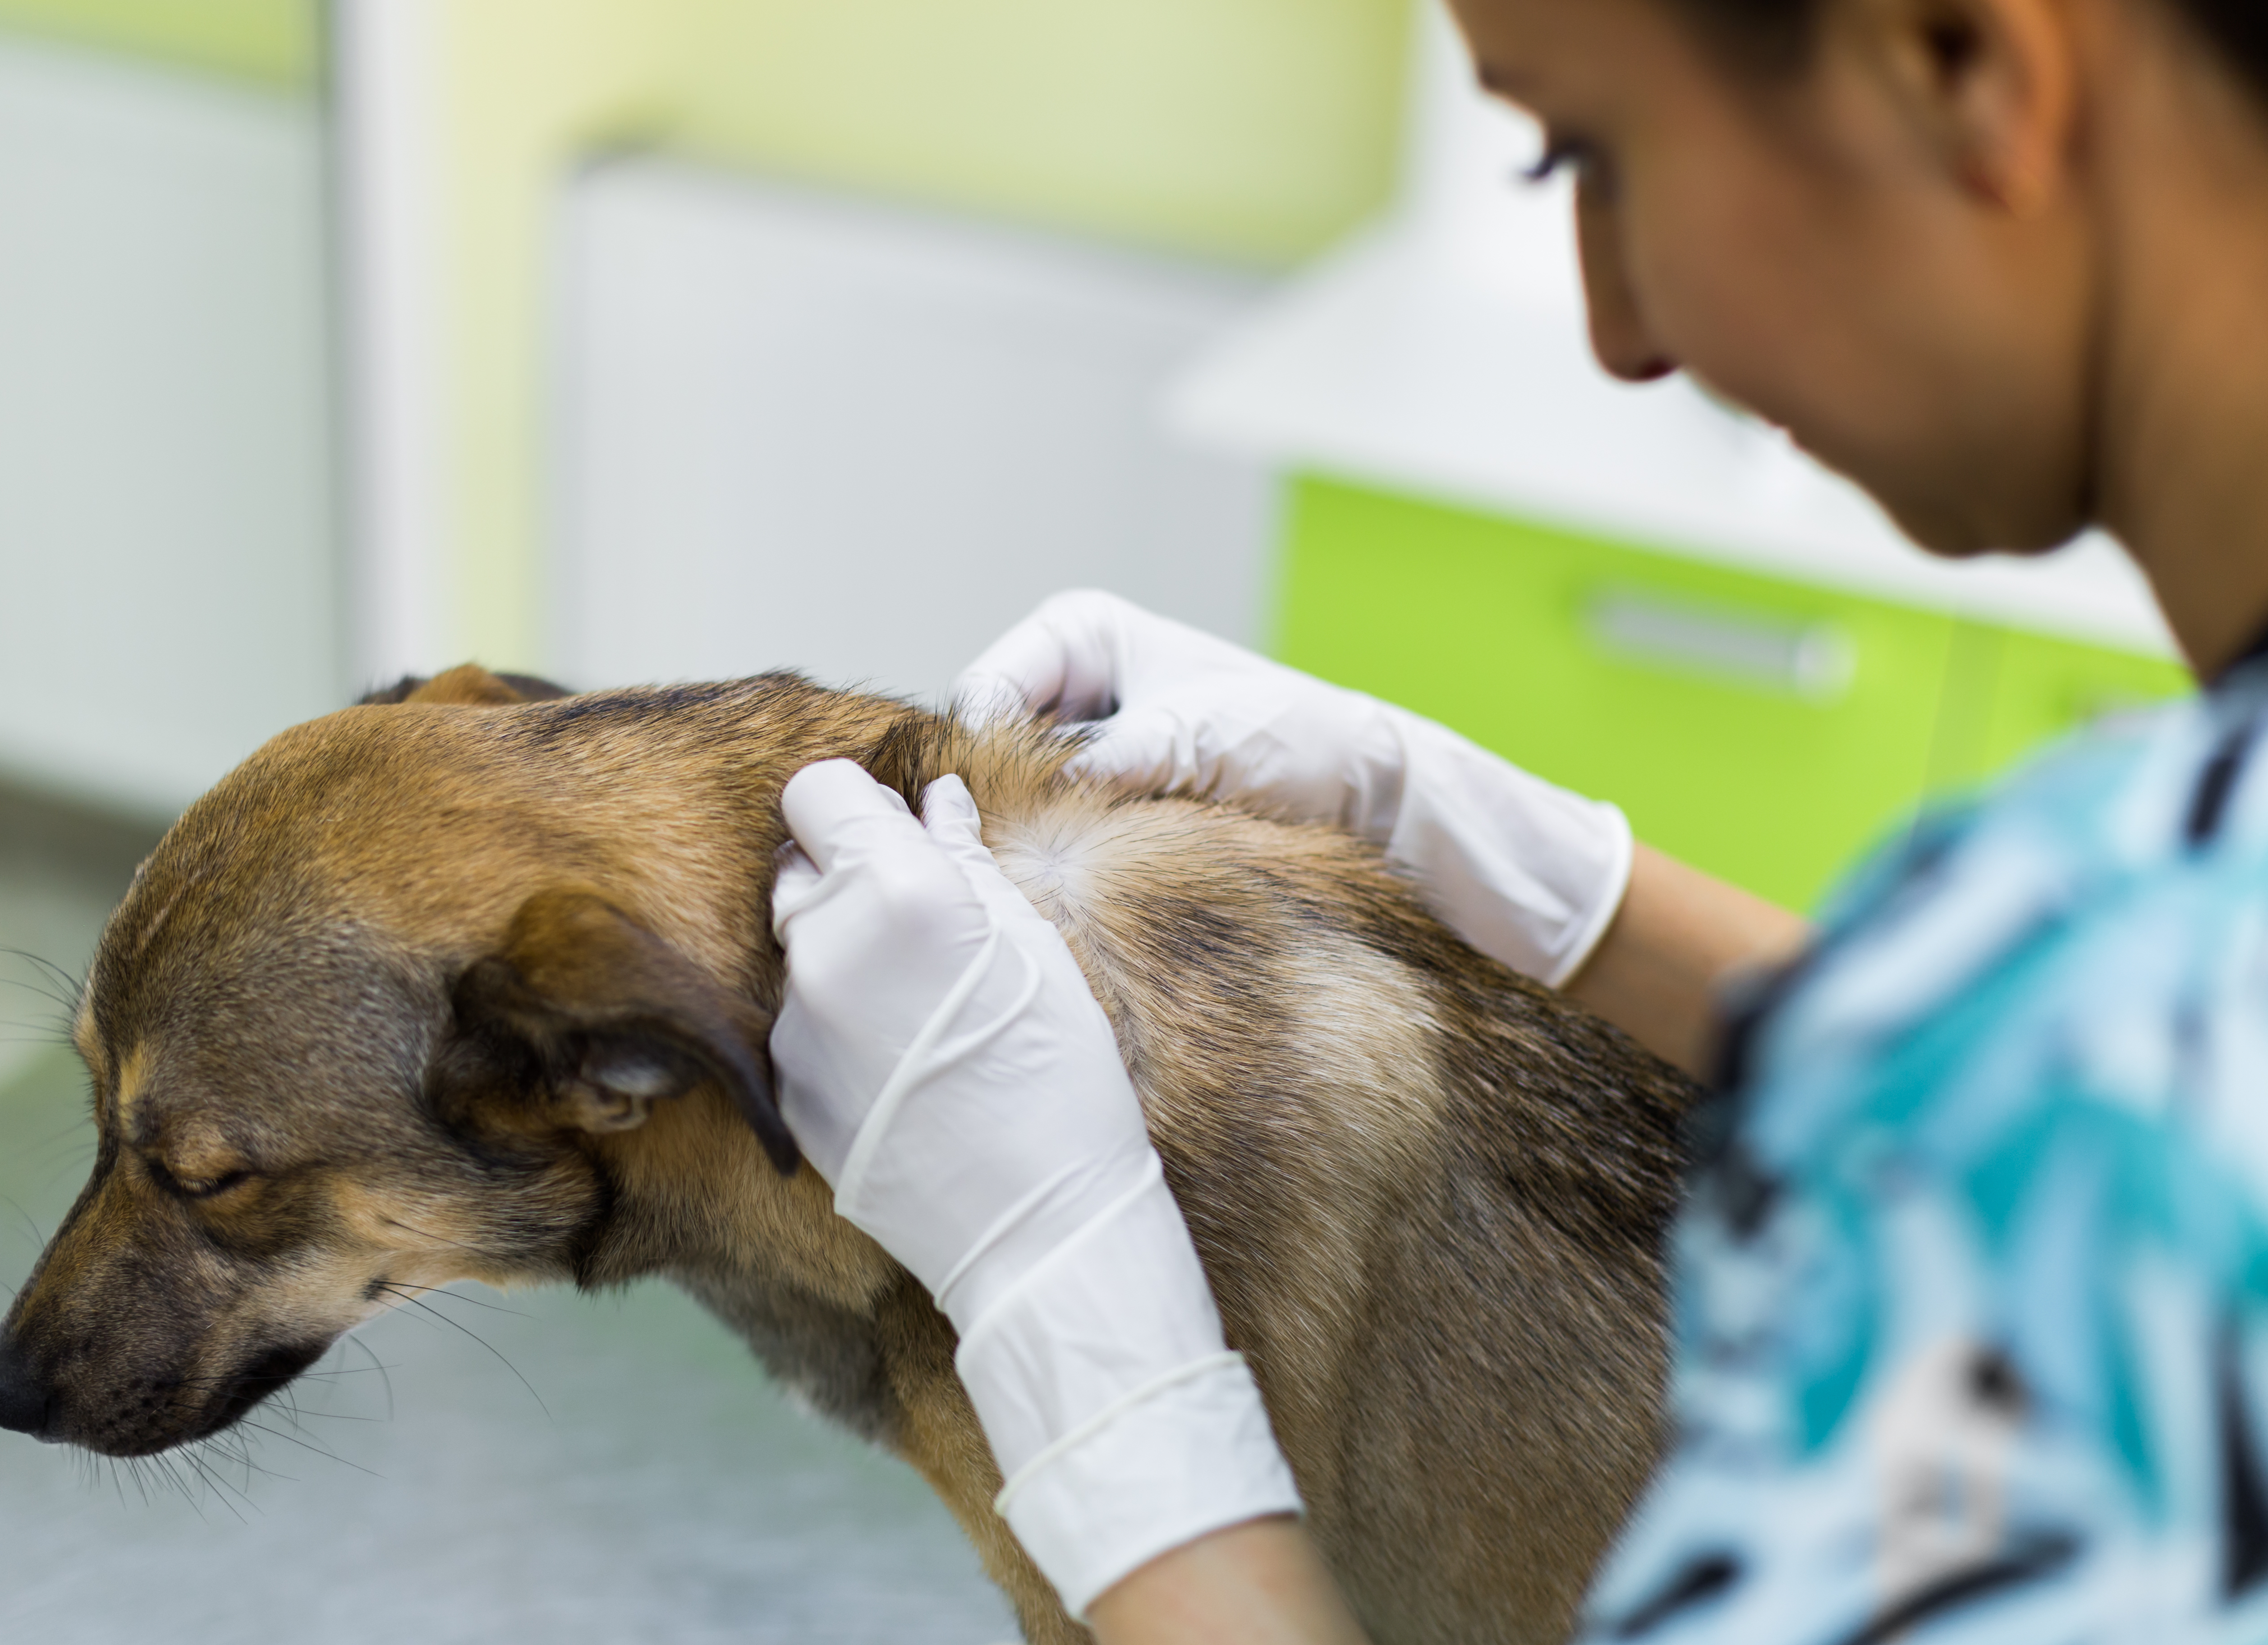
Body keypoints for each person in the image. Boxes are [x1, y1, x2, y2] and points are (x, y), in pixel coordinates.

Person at [768, 0, 2268, 1636]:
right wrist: (1545, 879)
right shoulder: (2134, 991)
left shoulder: (2117, 1061)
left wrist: (1084, 1338)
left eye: (1594, 153)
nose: (1622, 331)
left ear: (1961, 61)